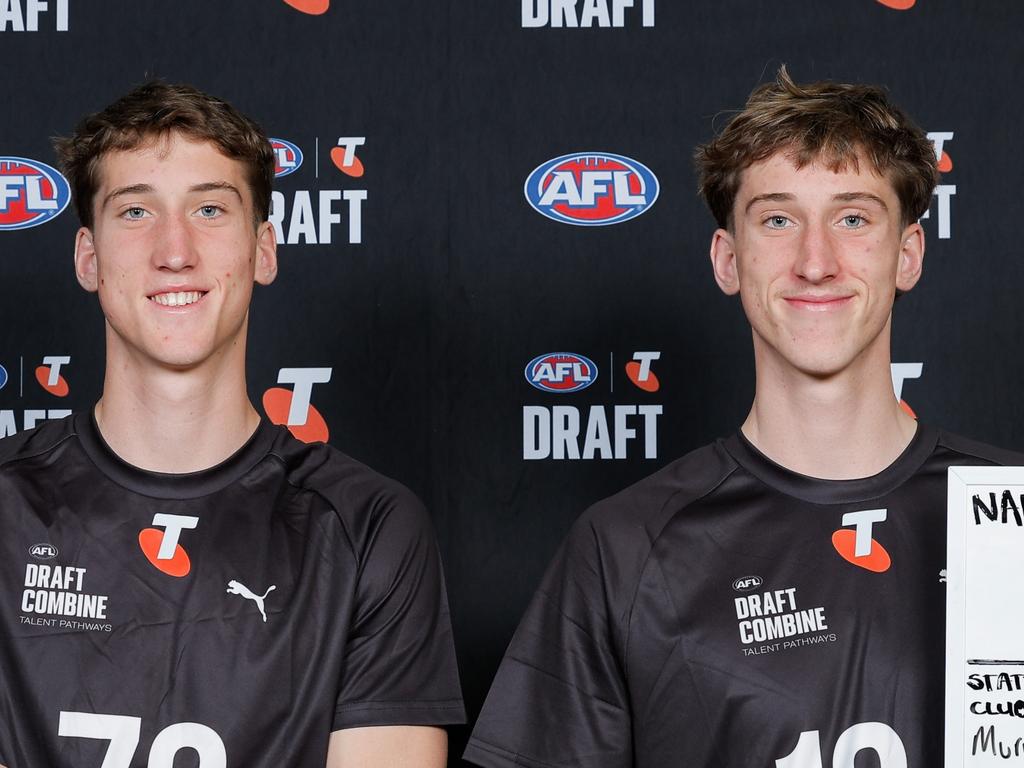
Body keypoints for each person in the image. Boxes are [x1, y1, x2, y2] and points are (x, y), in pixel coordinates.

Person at [463, 68, 1021, 767]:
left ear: (906, 254)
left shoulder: (1012, 518)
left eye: (853, 218)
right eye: (779, 220)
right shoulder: (628, 550)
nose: (815, 262)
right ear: (729, 260)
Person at [0, 82, 463, 767]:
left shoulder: (368, 529)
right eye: (135, 212)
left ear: (264, 250)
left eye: (211, 209)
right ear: (88, 257)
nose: (175, 251)